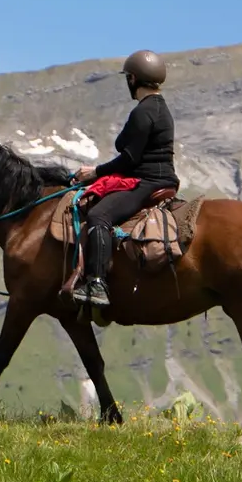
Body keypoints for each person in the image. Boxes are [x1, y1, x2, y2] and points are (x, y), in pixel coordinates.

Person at [69, 50, 178, 308]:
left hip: (147, 182)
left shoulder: (143, 112)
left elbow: (129, 159)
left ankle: (96, 283)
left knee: (99, 216)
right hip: (160, 179)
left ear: (132, 78)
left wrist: (95, 172)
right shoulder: (161, 109)